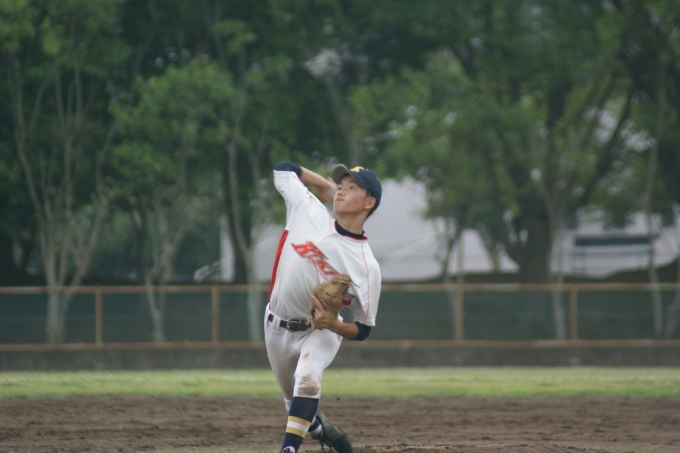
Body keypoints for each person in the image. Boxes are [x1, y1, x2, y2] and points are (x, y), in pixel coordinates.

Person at [265, 161, 382, 453]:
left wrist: (334, 325)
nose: (341, 190)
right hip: (275, 325)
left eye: (351, 188)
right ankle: (322, 429)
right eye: (340, 186)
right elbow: (284, 169)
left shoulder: (366, 265)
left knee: (307, 382)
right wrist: (329, 190)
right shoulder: (308, 209)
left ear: (369, 203)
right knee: (295, 406)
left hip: (320, 331)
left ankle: (288, 450)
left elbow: (364, 329)